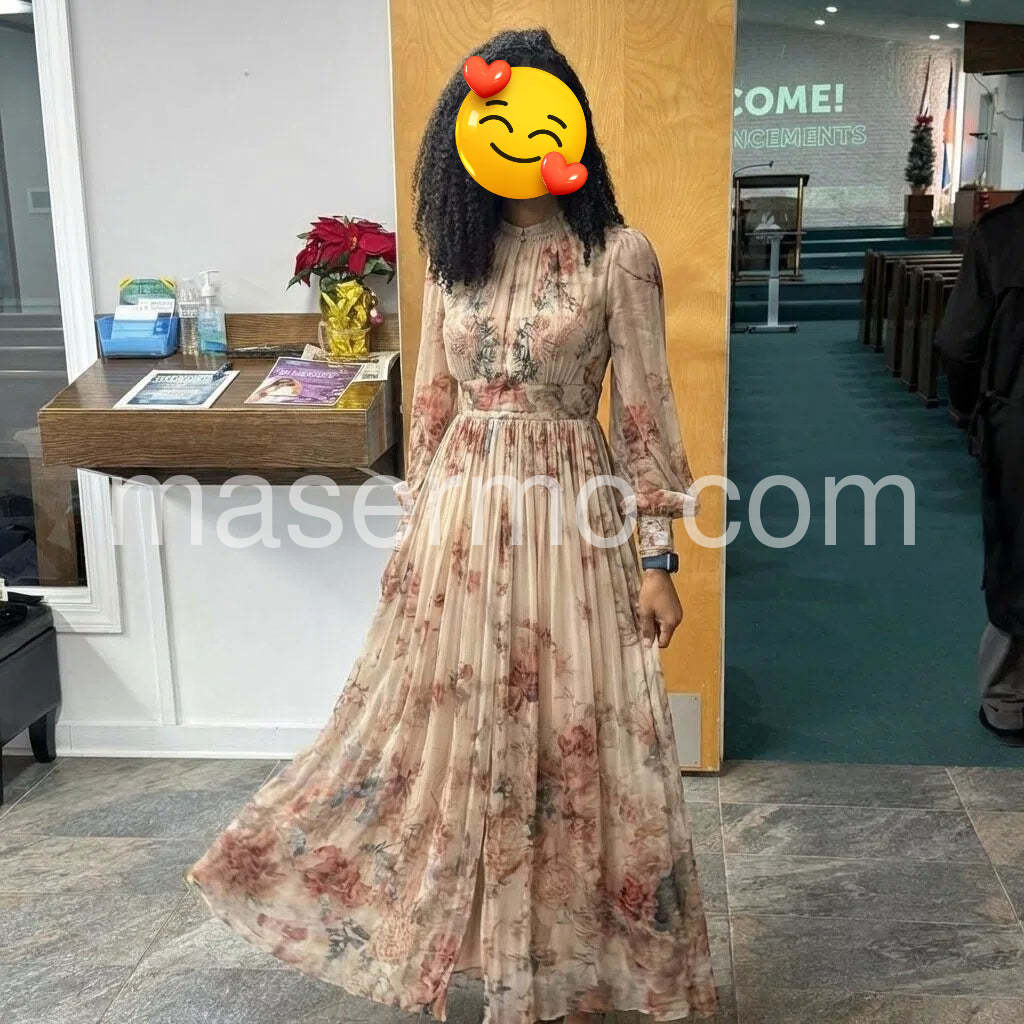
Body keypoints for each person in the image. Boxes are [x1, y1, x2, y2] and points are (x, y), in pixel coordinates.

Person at [184, 27, 717, 1024]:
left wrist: (659, 559)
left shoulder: (618, 254)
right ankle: (462, 941)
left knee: (575, 743)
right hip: (461, 531)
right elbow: (431, 408)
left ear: (571, 125)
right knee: (436, 736)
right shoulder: (452, 260)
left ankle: (575, 965)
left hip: (571, 523)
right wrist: (415, 535)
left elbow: (645, 417)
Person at [935, 190, 1024, 746]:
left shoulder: (1001, 235)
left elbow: (957, 341)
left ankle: (1009, 701)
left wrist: (967, 410)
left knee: (1016, 555)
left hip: (1017, 420)